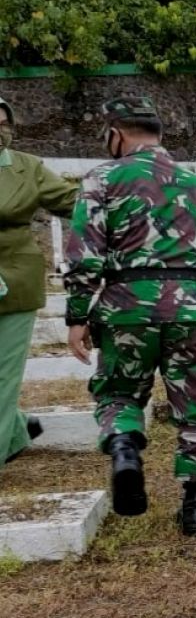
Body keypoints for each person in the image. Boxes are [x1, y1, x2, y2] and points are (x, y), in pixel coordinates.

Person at [64, 97, 196, 536]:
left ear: (116, 133)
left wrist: (77, 315)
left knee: (119, 394)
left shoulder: (101, 179)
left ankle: (125, 454)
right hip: (189, 305)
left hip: (126, 304)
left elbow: (84, 253)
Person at [0, 95, 77, 470]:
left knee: (3, 374)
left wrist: (122, 198)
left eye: (3, 122)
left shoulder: (28, 168)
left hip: (14, 280)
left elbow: (70, 200)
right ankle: (17, 429)